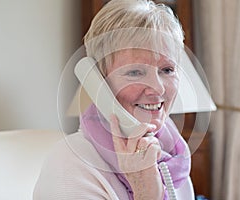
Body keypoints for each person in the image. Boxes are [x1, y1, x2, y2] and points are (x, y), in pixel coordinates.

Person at [33, 0, 194, 199]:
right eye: (135, 72)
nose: (158, 88)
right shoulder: (69, 165)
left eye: (167, 70)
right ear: (98, 82)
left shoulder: (173, 159)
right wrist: (144, 189)